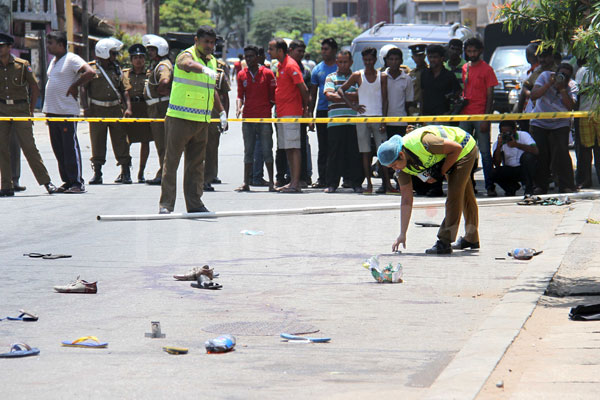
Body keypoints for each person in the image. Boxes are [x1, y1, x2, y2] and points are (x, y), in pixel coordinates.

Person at [377, 125, 479, 254]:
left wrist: (441, 172)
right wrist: (402, 234)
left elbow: (456, 148)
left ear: (401, 155)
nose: (395, 169)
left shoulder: (423, 142)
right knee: (465, 195)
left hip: (464, 147)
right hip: (448, 154)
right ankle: (471, 238)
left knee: (454, 196)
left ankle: (444, 241)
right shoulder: (401, 169)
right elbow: (406, 200)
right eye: (391, 167)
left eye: (394, 165)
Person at [158, 25, 227, 214]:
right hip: (180, 118)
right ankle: (166, 205)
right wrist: (203, 69)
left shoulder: (211, 61)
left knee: (196, 166)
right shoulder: (186, 55)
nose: (210, 46)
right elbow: (186, 65)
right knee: (171, 163)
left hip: (201, 121)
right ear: (196, 40)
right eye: (206, 42)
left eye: (213, 43)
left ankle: (195, 204)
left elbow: (211, 89)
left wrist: (221, 112)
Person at [0, 32, 57, 196]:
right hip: (2, 110)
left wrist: (31, 111)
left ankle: (46, 182)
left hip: (20, 110)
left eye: (2, 46)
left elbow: (35, 88)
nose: (0, 49)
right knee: (2, 148)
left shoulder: (22, 64)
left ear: (9, 47)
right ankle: (6, 185)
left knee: (29, 147)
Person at [43, 30, 95, 193]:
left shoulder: (72, 58)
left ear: (60, 44)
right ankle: (67, 180)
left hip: (65, 111)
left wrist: (74, 86)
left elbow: (90, 72)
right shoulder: (54, 61)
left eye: (51, 43)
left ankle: (77, 182)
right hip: (52, 112)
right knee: (58, 148)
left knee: (69, 147)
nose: (48, 46)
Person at [82, 37, 133, 185]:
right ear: (104, 53)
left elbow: (125, 91)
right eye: (112, 53)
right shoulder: (91, 68)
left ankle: (125, 171)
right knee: (97, 141)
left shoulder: (117, 70)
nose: (115, 57)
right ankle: (97, 173)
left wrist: (128, 108)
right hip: (97, 110)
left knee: (121, 141)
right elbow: (83, 89)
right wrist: (85, 107)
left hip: (115, 109)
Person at [338, 47, 388, 194]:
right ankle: (369, 184)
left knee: (383, 152)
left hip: (378, 117)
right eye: (366, 60)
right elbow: (341, 90)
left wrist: (384, 120)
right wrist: (352, 106)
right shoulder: (357, 75)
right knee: (365, 152)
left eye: (371, 59)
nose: (368, 62)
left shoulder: (382, 76)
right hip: (362, 119)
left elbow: (385, 99)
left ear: (375, 60)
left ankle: (387, 184)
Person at [419, 44, 462, 197]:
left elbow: (458, 94)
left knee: (445, 153)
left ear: (442, 58)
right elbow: (422, 95)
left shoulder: (449, 75)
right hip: (428, 118)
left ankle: (448, 185)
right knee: (429, 152)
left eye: (435, 57)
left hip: (443, 119)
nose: (432, 60)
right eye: (430, 57)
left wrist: (450, 111)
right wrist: (421, 116)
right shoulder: (424, 74)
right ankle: (433, 186)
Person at [268, 37, 309, 193]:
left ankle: (296, 183)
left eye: (271, 49)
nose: (268, 52)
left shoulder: (291, 65)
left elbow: (304, 89)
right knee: (288, 148)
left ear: (280, 50)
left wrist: (305, 109)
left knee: (294, 147)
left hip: (292, 113)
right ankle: (293, 181)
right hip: (282, 112)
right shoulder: (280, 65)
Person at [458, 37, 498, 197]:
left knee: (485, 153)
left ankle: (490, 186)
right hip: (465, 114)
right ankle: (469, 185)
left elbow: (490, 96)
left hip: (480, 114)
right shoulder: (465, 68)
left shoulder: (487, 69)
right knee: (464, 152)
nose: (472, 54)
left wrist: (486, 118)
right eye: (469, 51)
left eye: (474, 51)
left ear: (480, 51)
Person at [530, 62, 578, 194]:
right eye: (560, 74)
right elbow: (533, 95)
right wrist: (549, 84)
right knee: (541, 153)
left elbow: (570, 107)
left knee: (562, 152)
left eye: (566, 76)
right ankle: (539, 185)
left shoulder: (572, 86)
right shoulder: (545, 76)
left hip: (560, 122)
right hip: (540, 121)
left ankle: (566, 185)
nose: (562, 77)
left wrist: (562, 89)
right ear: (555, 73)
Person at [235, 44, 276, 192]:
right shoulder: (241, 74)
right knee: (248, 151)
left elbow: (273, 96)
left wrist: (266, 109)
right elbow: (240, 95)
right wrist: (239, 107)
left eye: (251, 56)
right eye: (247, 57)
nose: (249, 59)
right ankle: (246, 182)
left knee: (267, 150)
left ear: (258, 57)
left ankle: (272, 182)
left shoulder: (268, 73)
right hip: (247, 118)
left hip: (264, 119)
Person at [322, 50, 363, 193]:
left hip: (353, 122)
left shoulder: (357, 77)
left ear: (351, 62)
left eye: (345, 61)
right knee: (334, 154)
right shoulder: (331, 77)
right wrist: (349, 96)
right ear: (336, 62)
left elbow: (360, 95)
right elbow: (329, 95)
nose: (343, 64)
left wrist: (340, 93)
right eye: (340, 62)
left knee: (354, 153)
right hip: (335, 122)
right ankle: (332, 184)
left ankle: (356, 183)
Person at [381, 46, 413, 194]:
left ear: (401, 61)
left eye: (396, 59)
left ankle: (401, 183)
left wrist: (409, 122)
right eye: (390, 59)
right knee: (384, 154)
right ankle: (385, 184)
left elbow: (409, 103)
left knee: (401, 155)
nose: (393, 62)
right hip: (384, 122)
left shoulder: (406, 79)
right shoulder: (381, 77)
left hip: (400, 122)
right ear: (386, 61)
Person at [142, 34, 172, 186]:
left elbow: (165, 80)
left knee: (163, 144)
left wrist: (161, 89)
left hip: (160, 108)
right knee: (161, 144)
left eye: (152, 50)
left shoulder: (162, 66)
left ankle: (163, 174)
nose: (150, 53)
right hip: (156, 108)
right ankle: (163, 172)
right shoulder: (158, 64)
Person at [309, 38, 338, 188]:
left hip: (338, 111)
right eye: (322, 49)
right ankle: (322, 178)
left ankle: (337, 178)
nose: (323, 52)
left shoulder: (340, 67)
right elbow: (312, 95)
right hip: (322, 111)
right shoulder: (317, 69)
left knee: (337, 146)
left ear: (334, 50)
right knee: (323, 147)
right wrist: (310, 116)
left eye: (326, 49)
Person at [122, 44, 152, 183]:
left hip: (144, 108)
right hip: (129, 108)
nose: (138, 60)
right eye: (135, 57)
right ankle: (125, 170)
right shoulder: (125, 74)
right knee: (125, 141)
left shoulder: (150, 74)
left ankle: (141, 172)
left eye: (141, 57)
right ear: (131, 59)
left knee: (145, 140)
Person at [203, 36, 230, 192]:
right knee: (197, 148)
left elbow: (224, 96)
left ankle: (208, 178)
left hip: (213, 116)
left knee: (212, 148)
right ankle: (197, 178)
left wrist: (224, 116)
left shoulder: (219, 73)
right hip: (196, 114)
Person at [491, 120, 538, 196]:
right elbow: (496, 163)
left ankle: (529, 188)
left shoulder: (523, 135)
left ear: (515, 130)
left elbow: (535, 150)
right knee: (493, 172)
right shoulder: (498, 143)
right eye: (503, 133)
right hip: (510, 169)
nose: (506, 135)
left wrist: (517, 145)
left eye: (509, 132)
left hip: (524, 168)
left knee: (528, 157)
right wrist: (499, 147)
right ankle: (511, 188)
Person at [575, 62, 600, 188]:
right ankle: (585, 180)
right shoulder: (583, 71)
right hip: (585, 112)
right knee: (585, 149)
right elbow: (578, 92)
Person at [514, 42, 540, 133]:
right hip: (527, 111)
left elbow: (524, 93)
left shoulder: (539, 72)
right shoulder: (526, 72)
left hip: (538, 112)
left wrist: (518, 112)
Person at [408, 44, 428, 115]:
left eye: (420, 55)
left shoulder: (430, 72)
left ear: (424, 56)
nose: (418, 58)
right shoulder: (411, 74)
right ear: (412, 58)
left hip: (428, 108)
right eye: (416, 56)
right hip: (414, 108)